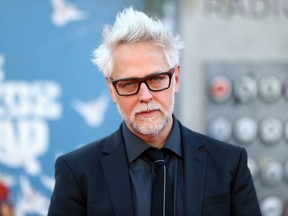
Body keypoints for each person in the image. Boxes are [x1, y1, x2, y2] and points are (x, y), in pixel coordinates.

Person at [48, 7, 261, 216]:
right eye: (129, 83)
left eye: (156, 79)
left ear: (175, 79)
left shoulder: (229, 164)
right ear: (112, 90)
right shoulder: (77, 172)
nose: (145, 96)